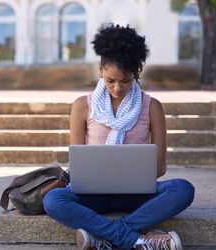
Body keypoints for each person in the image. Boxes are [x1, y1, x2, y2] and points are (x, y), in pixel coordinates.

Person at [42, 24, 195, 250]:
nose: (117, 88)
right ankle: (134, 239)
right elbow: (78, 163)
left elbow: (160, 168)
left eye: (125, 80)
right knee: (53, 200)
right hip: (94, 195)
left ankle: (103, 237)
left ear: (136, 73)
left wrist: (133, 172)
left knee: (183, 189)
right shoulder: (83, 106)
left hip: (137, 194)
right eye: (110, 80)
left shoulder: (152, 107)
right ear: (101, 70)